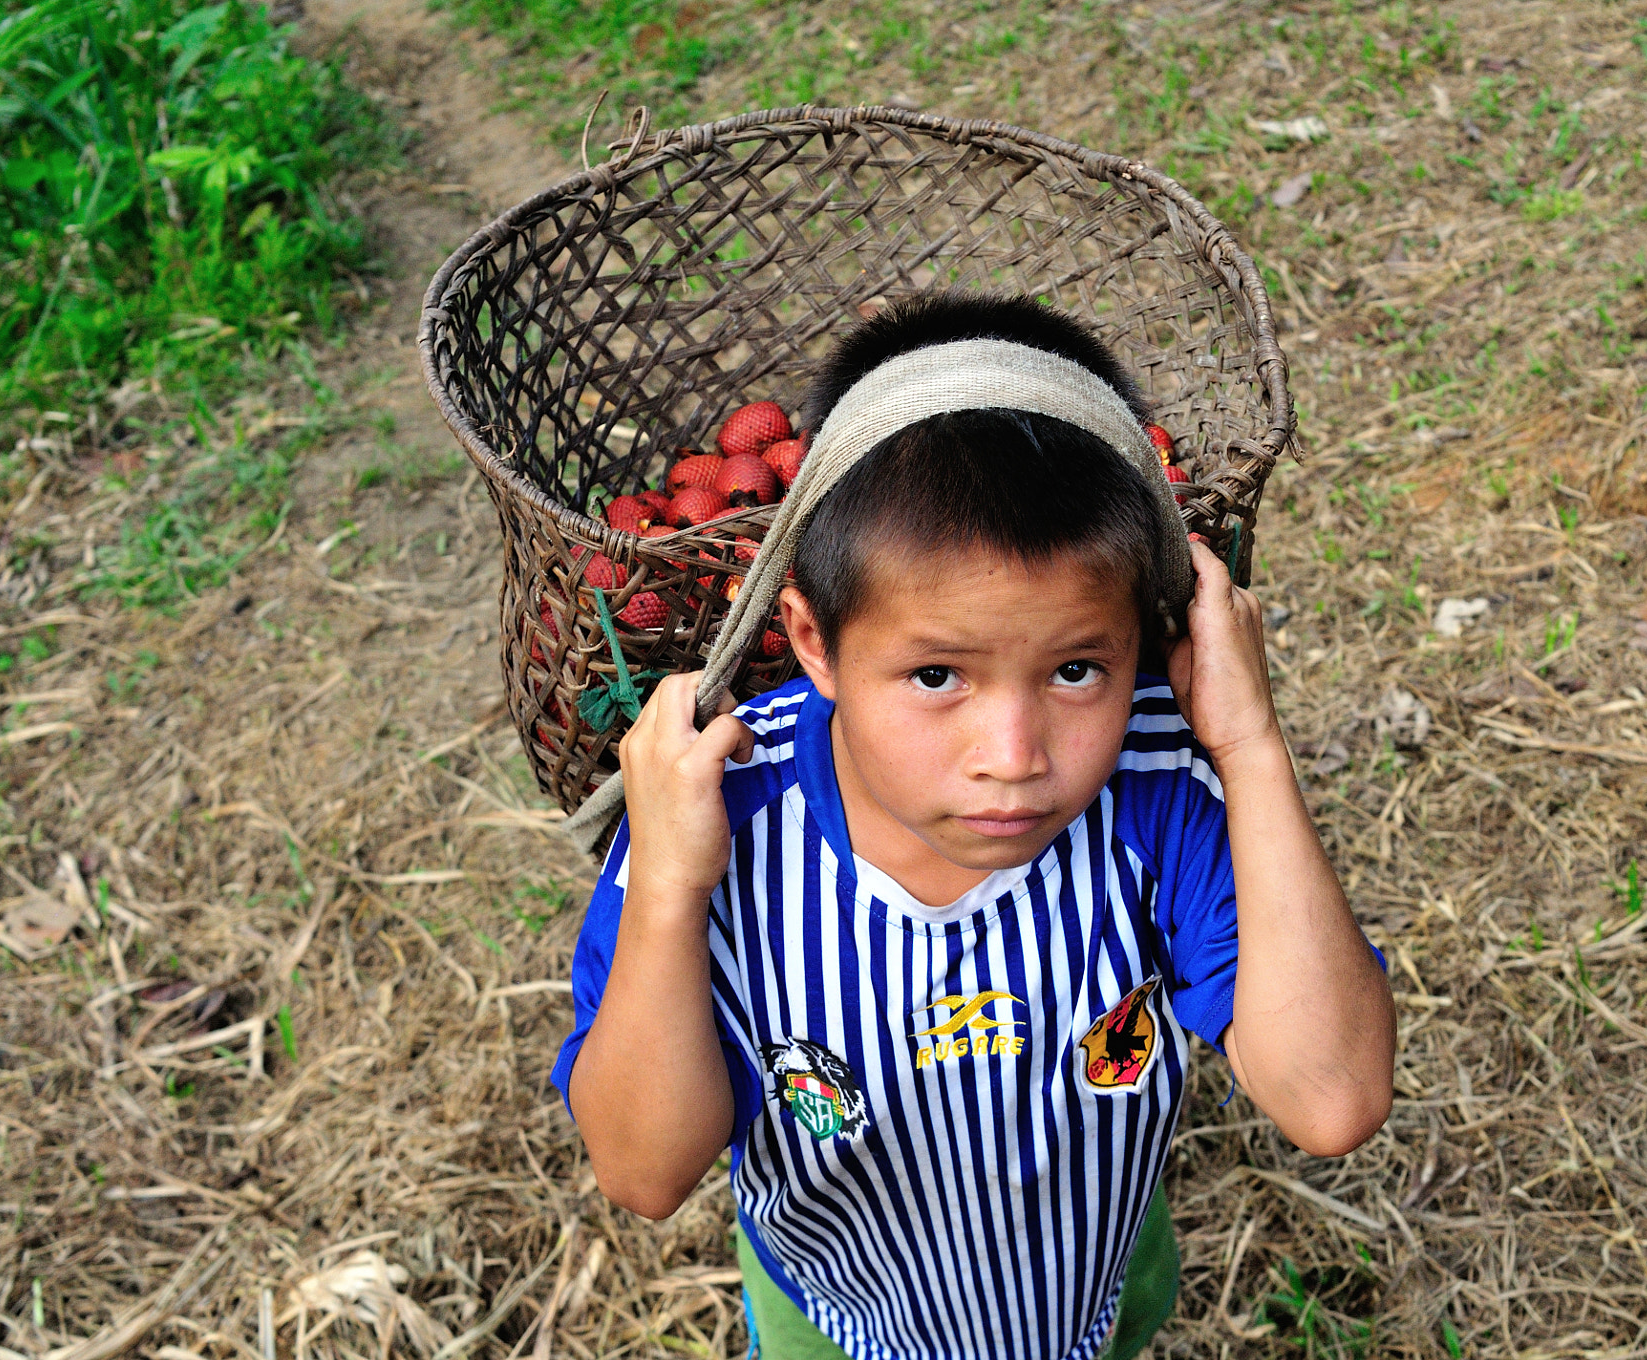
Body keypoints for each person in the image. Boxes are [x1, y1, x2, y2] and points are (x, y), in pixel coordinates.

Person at [552, 292, 1395, 1360]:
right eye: (936, 673)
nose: (1013, 751)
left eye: (1077, 668)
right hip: (835, 1319)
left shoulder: (1165, 784)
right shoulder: (713, 820)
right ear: (812, 639)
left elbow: (1332, 1098)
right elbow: (643, 1171)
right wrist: (669, 887)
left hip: (1090, 1278)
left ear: (1149, 630)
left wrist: (1249, 747)